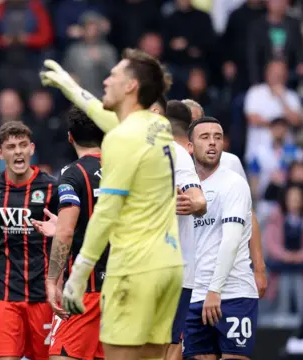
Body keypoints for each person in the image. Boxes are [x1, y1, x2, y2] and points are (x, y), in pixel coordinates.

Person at [40, 50, 183, 360]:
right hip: (168, 267)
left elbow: (105, 214)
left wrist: (77, 277)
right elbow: (104, 115)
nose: (105, 79)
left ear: (131, 85)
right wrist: (71, 88)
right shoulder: (159, 127)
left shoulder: (118, 140)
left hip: (133, 270)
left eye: (113, 75)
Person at [0, 121, 58, 360]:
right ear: (0, 153)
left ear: (32, 149)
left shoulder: (52, 188)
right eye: (11, 146)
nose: (18, 151)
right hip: (4, 293)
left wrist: (61, 283)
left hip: (43, 294)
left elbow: (66, 238)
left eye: (23, 145)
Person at [31, 106, 107, 360]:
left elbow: (64, 233)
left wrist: (52, 280)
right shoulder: (125, 170)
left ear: (70, 137)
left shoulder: (72, 174)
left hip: (86, 288)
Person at [184, 117, 259, 359]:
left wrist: (214, 290)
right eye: (204, 137)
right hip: (193, 295)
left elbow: (231, 240)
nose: (212, 143)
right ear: (190, 146)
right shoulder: (182, 186)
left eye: (217, 137)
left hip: (232, 294)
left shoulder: (233, 183)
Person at [182, 99, 268, 299]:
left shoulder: (230, 162)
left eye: (197, 121)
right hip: (187, 278)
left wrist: (259, 268)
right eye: (188, 125)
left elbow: (249, 214)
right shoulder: (171, 164)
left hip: (229, 281)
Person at [164, 100, 208, 360]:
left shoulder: (173, 152)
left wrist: (191, 202)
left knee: (165, 345)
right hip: (182, 269)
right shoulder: (176, 154)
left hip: (172, 268)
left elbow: (199, 201)